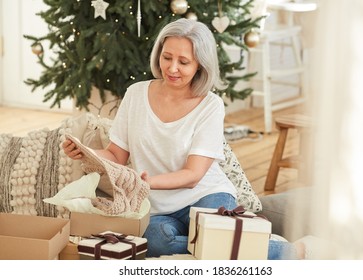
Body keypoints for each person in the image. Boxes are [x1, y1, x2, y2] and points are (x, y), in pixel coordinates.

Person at [62, 18, 309, 259]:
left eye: (184, 62)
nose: (172, 68)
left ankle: (290, 251)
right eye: (167, 57)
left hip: (207, 196)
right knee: (156, 241)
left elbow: (193, 176)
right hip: (158, 207)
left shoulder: (210, 105)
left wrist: (147, 182)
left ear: (200, 65)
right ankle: (240, 242)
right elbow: (116, 155)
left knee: (214, 236)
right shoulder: (136, 94)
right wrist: (87, 154)